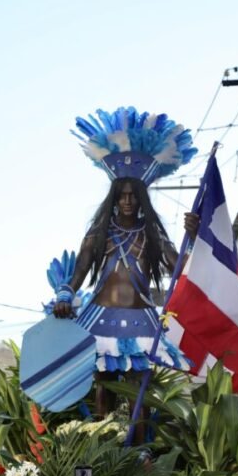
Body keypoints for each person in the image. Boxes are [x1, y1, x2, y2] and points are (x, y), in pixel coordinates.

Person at [53, 108, 197, 426]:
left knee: (138, 389)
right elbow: (78, 273)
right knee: (104, 385)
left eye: (133, 196)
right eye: (123, 195)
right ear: (114, 198)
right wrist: (64, 295)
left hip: (142, 318)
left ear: (141, 198)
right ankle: (105, 448)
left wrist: (194, 237)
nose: (128, 201)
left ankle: (137, 455)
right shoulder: (98, 233)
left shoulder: (153, 234)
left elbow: (181, 269)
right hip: (100, 317)